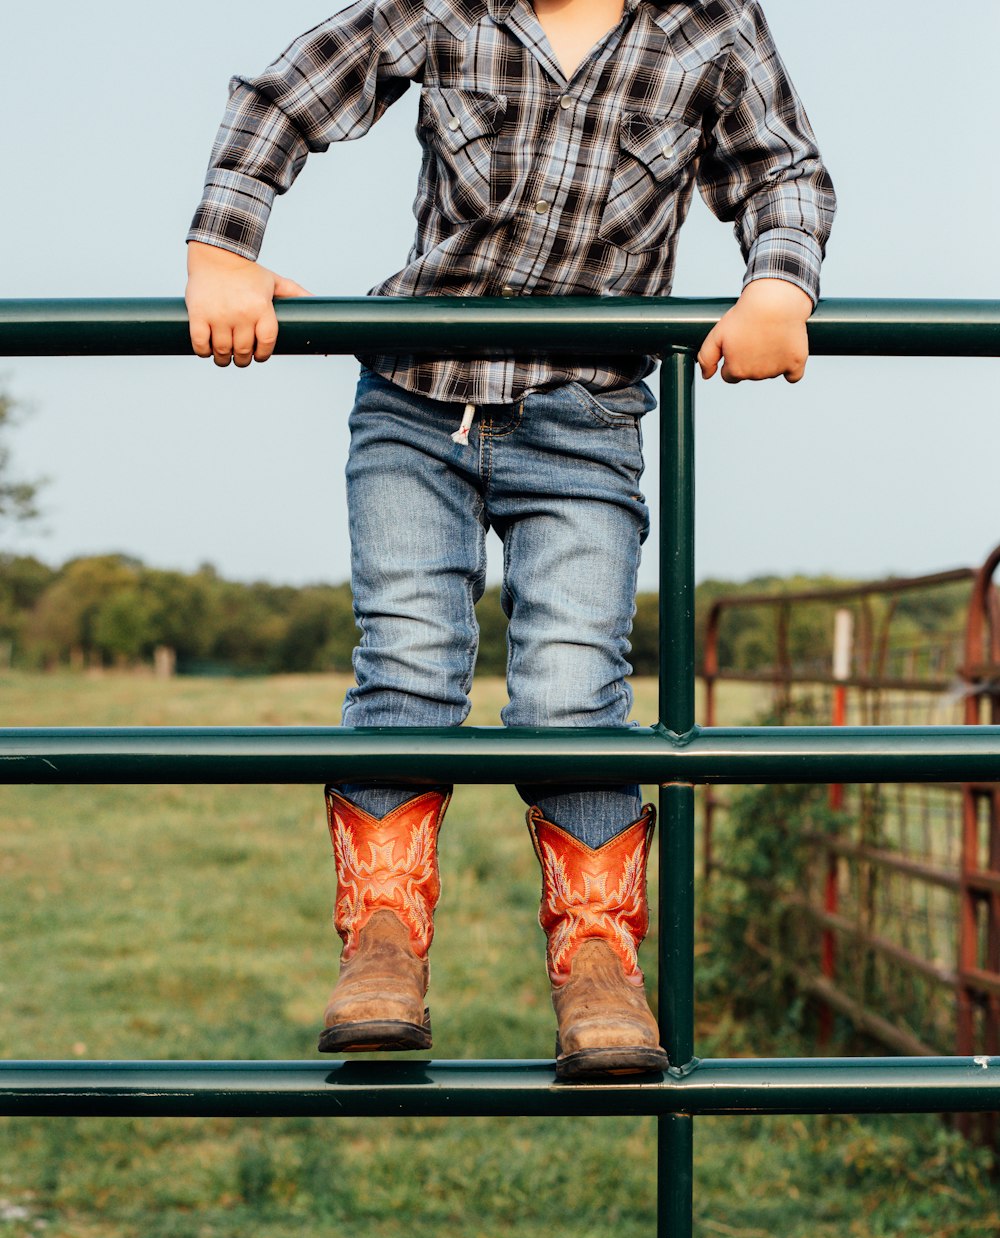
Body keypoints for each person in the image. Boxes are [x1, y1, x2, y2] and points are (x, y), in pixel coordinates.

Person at [185, 0, 835, 1081]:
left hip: (584, 417)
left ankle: (597, 963)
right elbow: (287, 93)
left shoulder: (709, 25)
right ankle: (383, 945)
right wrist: (222, 250)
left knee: (573, 692)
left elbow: (786, 172)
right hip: (414, 399)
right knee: (403, 664)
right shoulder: (443, 6)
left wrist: (776, 283)